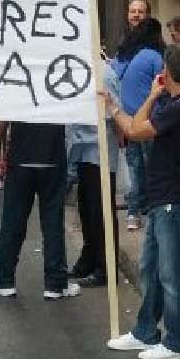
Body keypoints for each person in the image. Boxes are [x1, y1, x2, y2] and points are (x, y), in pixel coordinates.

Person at [106, 44, 180, 359]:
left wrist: (124, 103)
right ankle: (145, 330)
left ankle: (178, 341)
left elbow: (135, 130)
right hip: (163, 200)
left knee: (172, 274)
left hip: (175, 202)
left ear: (166, 73)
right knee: (152, 268)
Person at [0, 121, 78, 300]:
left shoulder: (17, 91)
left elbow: (0, 122)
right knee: (53, 222)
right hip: (53, 159)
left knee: (12, 221)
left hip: (21, 159)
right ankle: (55, 283)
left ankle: (3, 279)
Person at [67, 66, 121, 287]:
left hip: (100, 153)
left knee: (101, 214)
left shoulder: (104, 74)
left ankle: (105, 268)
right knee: (88, 212)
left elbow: (115, 111)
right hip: (83, 152)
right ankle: (90, 258)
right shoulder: (78, 70)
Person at [111, 16, 165, 232]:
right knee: (153, 167)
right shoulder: (154, 57)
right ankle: (153, 211)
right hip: (149, 121)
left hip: (127, 121)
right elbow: (162, 87)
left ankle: (133, 213)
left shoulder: (123, 57)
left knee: (135, 169)